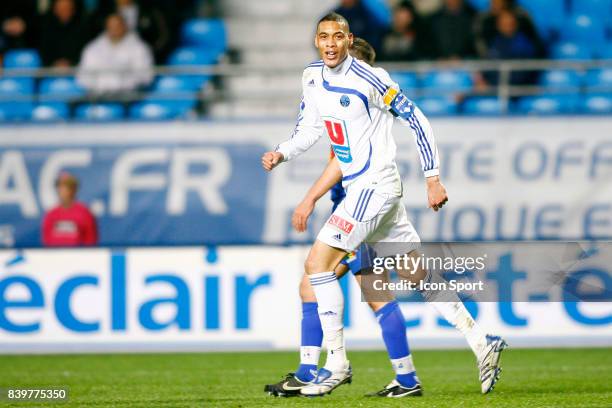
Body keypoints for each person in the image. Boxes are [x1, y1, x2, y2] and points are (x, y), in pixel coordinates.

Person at [261, 14, 506, 397]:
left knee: (316, 268)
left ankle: (334, 364)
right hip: (372, 192)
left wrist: (433, 177)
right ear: (316, 40)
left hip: (373, 188)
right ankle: (480, 340)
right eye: (323, 36)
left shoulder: (373, 78)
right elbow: (309, 129)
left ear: (348, 40)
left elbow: (418, 119)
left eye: (337, 36)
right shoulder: (311, 77)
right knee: (416, 275)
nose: (329, 43)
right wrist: (282, 152)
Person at [76, 13, 153, 96]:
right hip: (98, 96)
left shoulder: (140, 48)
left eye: (118, 25)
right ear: (106, 27)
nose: (114, 29)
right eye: (111, 26)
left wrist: (119, 84)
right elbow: (83, 76)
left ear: (125, 26)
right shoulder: (92, 48)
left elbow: (145, 77)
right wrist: (100, 86)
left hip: (128, 97)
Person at [91, 0, 171, 63]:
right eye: (113, 26)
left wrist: (151, 53)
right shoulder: (104, 12)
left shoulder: (149, 10)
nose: (115, 29)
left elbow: (163, 36)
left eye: (118, 26)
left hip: (145, 57)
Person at [41, 172, 98, 247]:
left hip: (78, 257)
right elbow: (46, 241)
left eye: (66, 187)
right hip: (55, 257)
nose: (62, 190)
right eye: (60, 187)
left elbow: (91, 241)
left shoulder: (84, 213)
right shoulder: (51, 214)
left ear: (74, 189)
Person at [39, 0, 88, 67]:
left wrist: (71, 63)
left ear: (73, 10)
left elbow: (85, 53)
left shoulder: (83, 29)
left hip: (75, 70)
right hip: (50, 70)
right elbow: (43, 52)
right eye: (61, 9)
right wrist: (54, 63)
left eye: (67, 8)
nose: (64, 11)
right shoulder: (45, 28)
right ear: (54, 10)